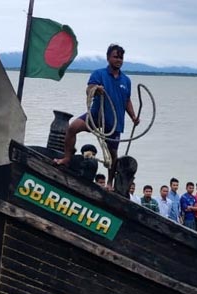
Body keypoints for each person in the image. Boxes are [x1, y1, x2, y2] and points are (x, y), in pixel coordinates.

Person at [54, 44, 140, 188]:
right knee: (72, 128)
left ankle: (110, 183)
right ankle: (67, 158)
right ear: (108, 58)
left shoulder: (126, 80)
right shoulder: (99, 74)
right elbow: (89, 89)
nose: (118, 60)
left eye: (121, 57)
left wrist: (133, 117)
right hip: (96, 115)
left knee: (113, 155)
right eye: (115, 56)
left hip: (114, 122)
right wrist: (95, 89)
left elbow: (127, 100)